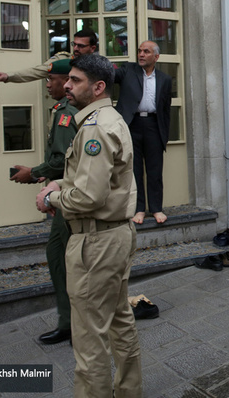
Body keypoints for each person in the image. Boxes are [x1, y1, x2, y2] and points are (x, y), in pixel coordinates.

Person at [36, 54, 141, 398]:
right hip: (115, 235)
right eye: (68, 79)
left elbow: (89, 198)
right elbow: (97, 184)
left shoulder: (95, 126)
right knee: (119, 321)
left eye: (75, 80)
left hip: (96, 241)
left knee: (89, 337)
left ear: (98, 87)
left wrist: (51, 199)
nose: (66, 85)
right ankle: (128, 390)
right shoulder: (109, 118)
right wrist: (61, 186)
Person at [11, 59, 78, 345]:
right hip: (61, 190)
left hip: (68, 195)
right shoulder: (62, 109)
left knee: (60, 258)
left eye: (51, 79)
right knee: (61, 257)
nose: (48, 84)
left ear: (66, 82)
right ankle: (73, 321)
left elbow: (61, 159)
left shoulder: (66, 112)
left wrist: (35, 173)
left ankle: (71, 323)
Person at [115, 41, 173, 225]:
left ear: (156, 57)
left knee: (155, 170)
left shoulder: (165, 79)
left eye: (146, 52)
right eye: (139, 51)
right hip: (132, 124)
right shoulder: (128, 71)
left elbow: (165, 109)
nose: (141, 54)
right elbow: (109, 74)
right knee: (135, 170)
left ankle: (156, 209)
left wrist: (164, 133)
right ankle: (138, 209)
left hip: (153, 125)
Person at [0, 28, 98, 83]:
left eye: (81, 46)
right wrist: (8, 76)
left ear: (92, 48)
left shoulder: (99, 65)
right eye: (74, 44)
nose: (76, 49)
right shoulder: (63, 61)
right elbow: (36, 71)